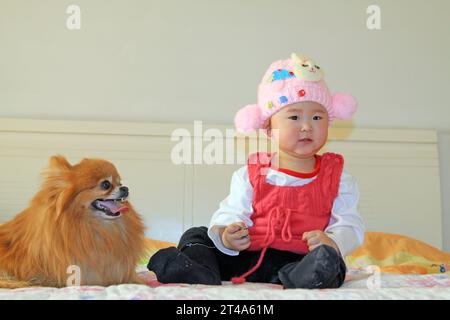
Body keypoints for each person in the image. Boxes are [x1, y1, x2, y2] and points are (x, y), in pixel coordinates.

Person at [148, 53, 365, 289]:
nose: (306, 126)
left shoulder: (339, 178)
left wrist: (331, 241)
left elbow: (349, 225)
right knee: (197, 235)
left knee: (331, 262)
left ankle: (304, 278)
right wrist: (227, 234)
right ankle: (199, 272)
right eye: (294, 117)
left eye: (316, 117)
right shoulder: (250, 174)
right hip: (246, 258)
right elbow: (232, 211)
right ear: (269, 130)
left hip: (298, 260)